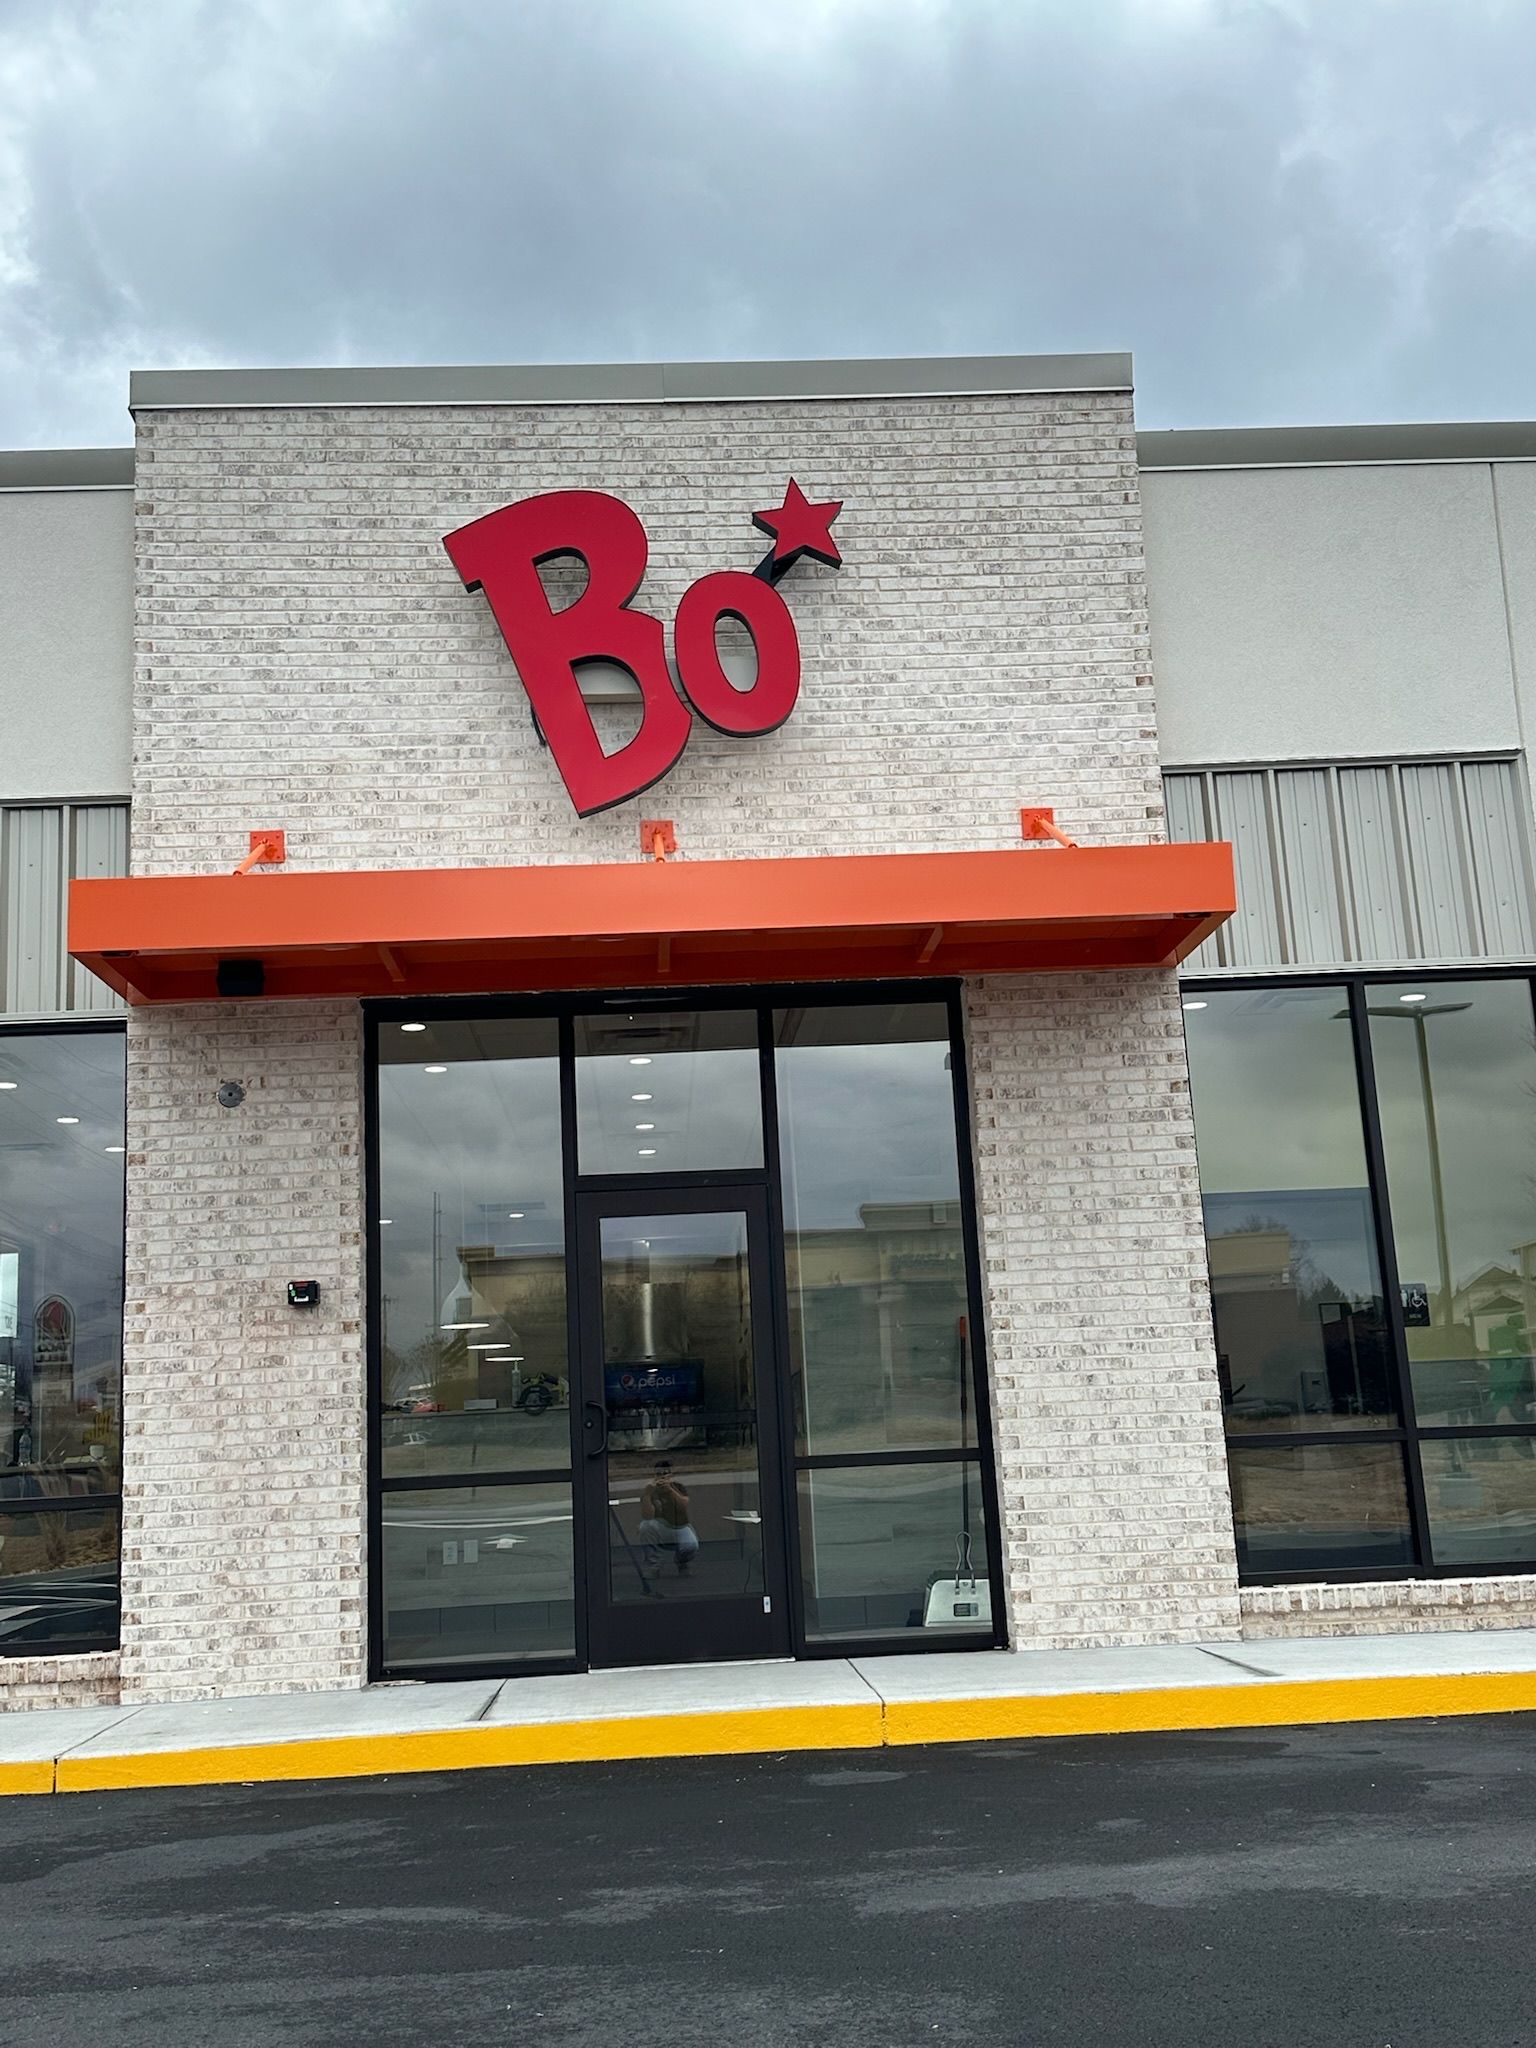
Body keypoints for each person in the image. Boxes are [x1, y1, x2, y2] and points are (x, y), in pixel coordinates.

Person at [638, 1460, 699, 1574]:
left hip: (679, 1526)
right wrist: (647, 1495)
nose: (662, 1477)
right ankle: (654, 1565)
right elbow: (647, 1516)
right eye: (658, 1474)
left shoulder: (678, 1487)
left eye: (665, 1473)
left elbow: (683, 1507)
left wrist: (670, 1490)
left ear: (671, 1475)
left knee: (691, 1546)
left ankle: (682, 1561)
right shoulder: (651, 1490)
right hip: (660, 1526)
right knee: (645, 1527)